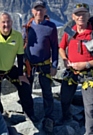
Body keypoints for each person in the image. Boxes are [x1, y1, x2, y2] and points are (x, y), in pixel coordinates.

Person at [58, 3, 93, 135]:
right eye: (78, 14)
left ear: (88, 16)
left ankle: (90, 132)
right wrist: (65, 59)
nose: (81, 17)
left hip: (89, 73)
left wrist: (86, 64)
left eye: (83, 14)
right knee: (64, 98)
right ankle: (67, 119)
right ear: (73, 16)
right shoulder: (70, 31)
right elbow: (61, 47)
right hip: (71, 72)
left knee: (90, 106)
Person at [0, 12, 38, 122]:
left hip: (9, 69)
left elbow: (20, 56)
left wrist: (20, 74)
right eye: (3, 22)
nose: (6, 24)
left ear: (12, 22)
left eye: (8, 22)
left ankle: (29, 112)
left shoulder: (17, 36)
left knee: (24, 86)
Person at [22, 0, 59, 133]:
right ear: (32, 11)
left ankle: (49, 118)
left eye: (41, 9)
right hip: (29, 65)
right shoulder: (27, 27)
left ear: (45, 11)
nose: (39, 12)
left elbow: (55, 47)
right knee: (27, 90)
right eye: (36, 9)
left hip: (44, 65)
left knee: (47, 91)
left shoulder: (51, 27)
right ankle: (29, 114)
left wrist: (54, 65)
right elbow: (23, 46)